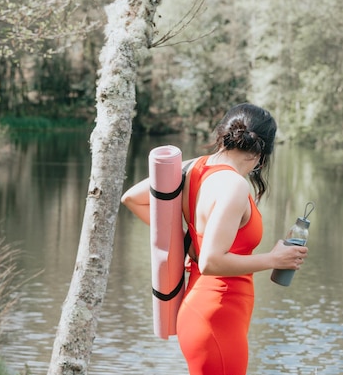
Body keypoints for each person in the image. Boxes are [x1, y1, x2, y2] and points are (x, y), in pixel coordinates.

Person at [121, 103, 309, 375]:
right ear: (261, 153)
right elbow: (211, 261)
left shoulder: (193, 167)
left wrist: (188, 241)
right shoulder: (233, 185)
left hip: (207, 311)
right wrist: (273, 259)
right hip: (217, 315)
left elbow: (132, 199)